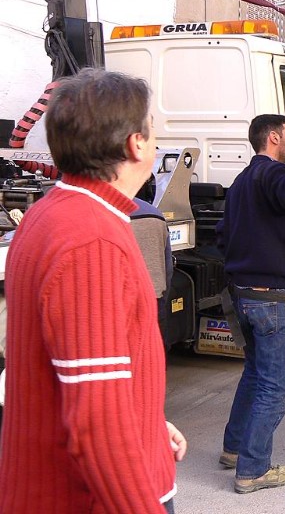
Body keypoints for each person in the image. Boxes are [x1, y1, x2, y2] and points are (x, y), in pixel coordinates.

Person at [0, 68, 186, 514]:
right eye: (152, 126)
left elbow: (78, 370)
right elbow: (97, 425)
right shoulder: (91, 239)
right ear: (136, 143)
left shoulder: (54, 212)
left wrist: (147, 421)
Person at [217, 114, 285, 494]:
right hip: (270, 300)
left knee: (254, 375)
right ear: (274, 138)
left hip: (243, 295)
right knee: (273, 388)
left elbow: (222, 235)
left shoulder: (242, 182)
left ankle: (233, 449)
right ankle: (253, 470)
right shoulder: (272, 174)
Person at [131, 196, 174, 342]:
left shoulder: (98, 212)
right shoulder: (154, 213)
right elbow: (167, 267)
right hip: (154, 298)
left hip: (118, 304)